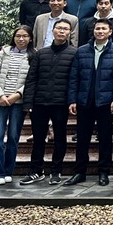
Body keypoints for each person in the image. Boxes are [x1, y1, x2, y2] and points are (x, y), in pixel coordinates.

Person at [64, 18, 113, 186]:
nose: (99, 31)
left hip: (106, 101)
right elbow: (74, 77)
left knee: (105, 138)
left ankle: (104, 171)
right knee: (82, 138)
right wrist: (72, 99)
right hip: (84, 100)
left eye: (103, 29)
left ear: (110, 32)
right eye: (97, 28)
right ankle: (80, 171)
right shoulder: (82, 50)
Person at [20, 19, 78, 185]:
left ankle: (56, 170)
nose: (61, 31)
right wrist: (28, 103)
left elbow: (75, 80)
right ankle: (36, 171)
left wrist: (72, 100)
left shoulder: (75, 53)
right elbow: (32, 79)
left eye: (65, 29)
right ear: (53, 30)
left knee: (59, 137)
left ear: (69, 33)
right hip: (39, 102)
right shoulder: (41, 53)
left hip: (60, 103)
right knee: (38, 138)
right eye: (59, 28)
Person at [0, 26, 33, 185]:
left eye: (25, 36)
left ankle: (7, 170)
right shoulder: (2, 53)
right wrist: (0, 96)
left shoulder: (34, 56)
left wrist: (16, 96)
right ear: (13, 37)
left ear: (30, 38)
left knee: (13, 137)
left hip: (18, 102)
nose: (21, 39)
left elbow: (32, 81)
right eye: (18, 36)